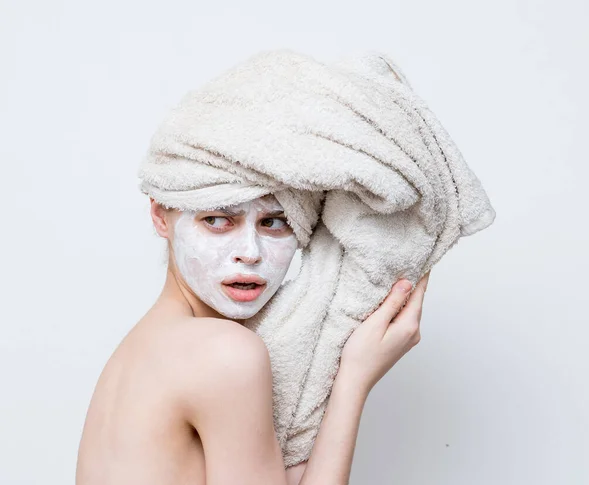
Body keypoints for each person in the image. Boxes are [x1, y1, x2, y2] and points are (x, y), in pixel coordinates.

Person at [76, 192, 430, 485]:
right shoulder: (222, 353)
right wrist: (354, 379)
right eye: (217, 219)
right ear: (160, 215)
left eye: (274, 222)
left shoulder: (139, 349)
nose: (250, 251)